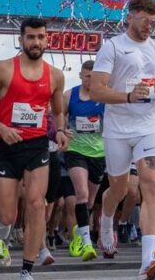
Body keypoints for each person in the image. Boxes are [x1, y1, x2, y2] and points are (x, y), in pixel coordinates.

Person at [90, 0, 155, 280]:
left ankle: (147, 262)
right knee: (119, 189)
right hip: (118, 129)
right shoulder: (112, 47)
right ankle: (107, 220)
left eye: (153, 22)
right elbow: (97, 90)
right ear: (130, 17)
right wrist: (128, 96)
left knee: (151, 184)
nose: (149, 27)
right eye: (145, 20)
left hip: (151, 127)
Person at [0, 17, 68, 280]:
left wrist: (60, 130)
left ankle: (26, 269)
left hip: (37, 146)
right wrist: (0, 128)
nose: (36, 42)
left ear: (47, 40)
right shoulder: (4, 69)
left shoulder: (55, 75)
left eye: (41, 37)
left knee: (37, 204)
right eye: (31, 37)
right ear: (21, 40)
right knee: (7, 214)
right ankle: (1, 238)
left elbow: (58, 112)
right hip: (7, 146)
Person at [63, 60, 105, 262]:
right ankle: (87, 243)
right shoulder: (69, 95)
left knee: (89, 202)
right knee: (81, 194)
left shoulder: (104, 96)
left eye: (94, 77)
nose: (90, 80)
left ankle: (79, 233)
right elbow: (57, 117)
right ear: (81, 75)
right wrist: (62, 129)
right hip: (75, 150)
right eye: (87, 76)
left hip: (98, 153)